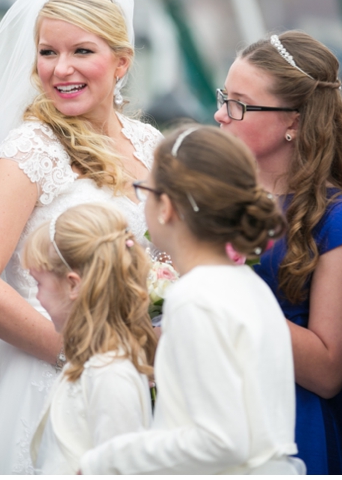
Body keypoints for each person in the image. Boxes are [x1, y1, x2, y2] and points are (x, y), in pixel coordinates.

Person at [0, 0, 162, 474]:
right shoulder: (30, 147)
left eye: (81, 51)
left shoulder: (152, 147)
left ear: (122, 62)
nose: (60, 69)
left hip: (139, 381)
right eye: (48, 52)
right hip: (50, 376)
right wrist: (78, 355)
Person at [80, 126, 300, 474]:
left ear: (166, 206)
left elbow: (220, 440)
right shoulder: (248, 285)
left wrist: (109, 458)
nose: (142, 201)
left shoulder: (196, 297)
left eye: (145, 190)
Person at [213, 31, 342, 474]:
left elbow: (327, 369)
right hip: (211, 409)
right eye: (224, 97)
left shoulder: (338, 220)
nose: (220, 115)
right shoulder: (214, 198)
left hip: (290, 422)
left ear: (295, 122)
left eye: (239, 104)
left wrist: (228, 293)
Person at [23, 202, 157, 474]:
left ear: (73, 284)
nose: (37, 297)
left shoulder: (111, 374)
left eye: (39, 284)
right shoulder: (89, 363)